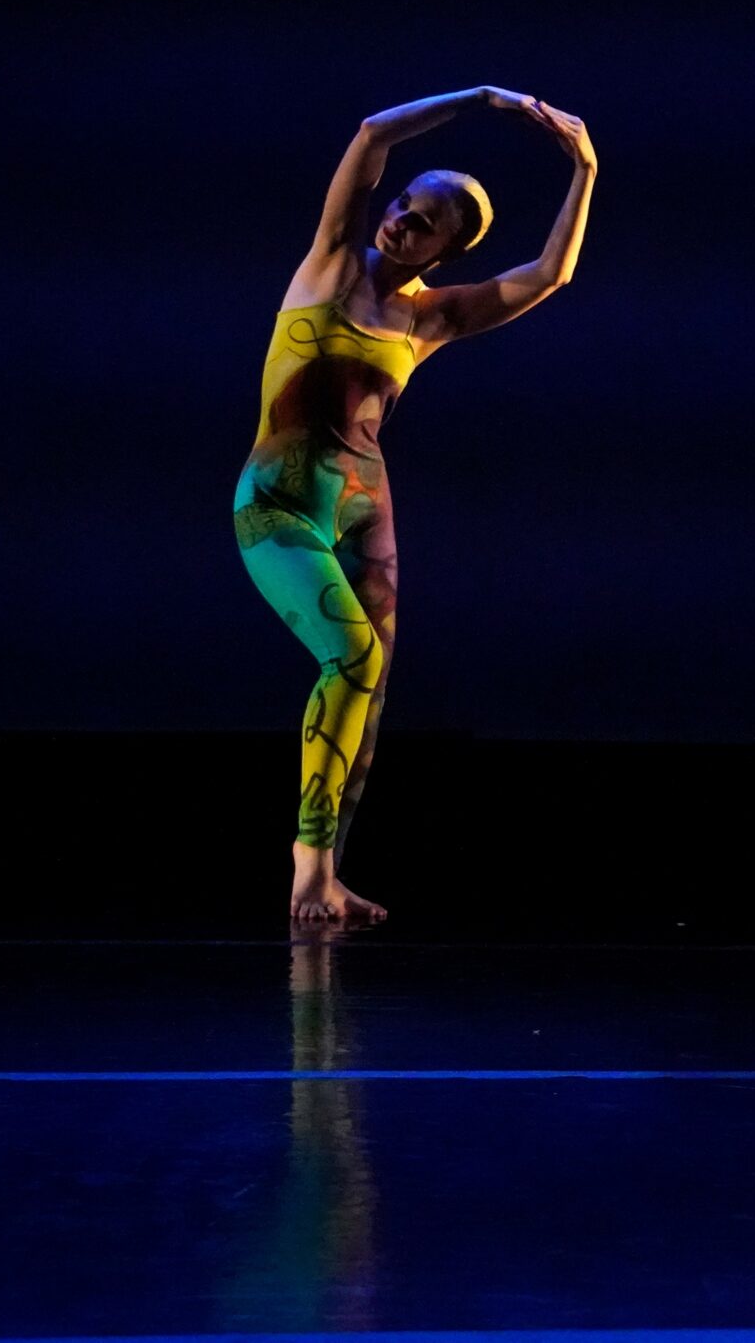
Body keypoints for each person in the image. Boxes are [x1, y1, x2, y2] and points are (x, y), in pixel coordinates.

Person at [236, 86, 597, 923]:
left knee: (371, 690)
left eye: (424, 222)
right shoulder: (331, 263)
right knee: (351, 659)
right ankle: (305, 865)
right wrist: (478, 99)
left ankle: (328, 872)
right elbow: (370, 134)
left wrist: (584, 166)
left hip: (365, 508)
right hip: (278, 501)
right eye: (403, 204)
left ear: (448, 248)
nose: (400, 220)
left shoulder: (430, 318)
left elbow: (551, 274)